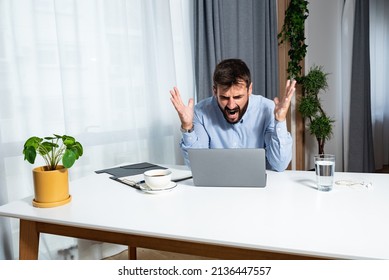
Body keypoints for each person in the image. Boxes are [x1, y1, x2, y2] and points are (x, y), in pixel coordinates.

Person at [170, 58, 296, 171]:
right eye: (224, 97)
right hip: (217, 188)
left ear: (250, 90)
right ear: (215, 91)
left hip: (259, 191)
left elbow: (279, 165)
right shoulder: (200, 112)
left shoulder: (268, 109)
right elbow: (197, 166)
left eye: (238, 97)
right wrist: (187, 126)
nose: (231, 105)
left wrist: (280, 120)